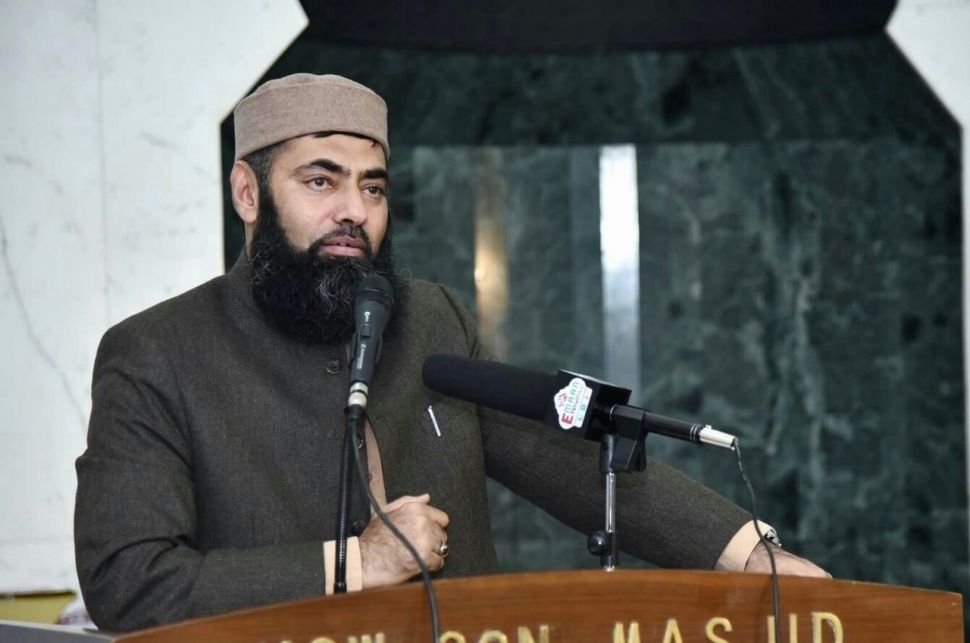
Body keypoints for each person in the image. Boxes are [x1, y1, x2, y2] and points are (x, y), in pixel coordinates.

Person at [74, 73, 827, 633]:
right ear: (246, 191)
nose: (353, 213)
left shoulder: (426, 317)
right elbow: (126, 581)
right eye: (319, 182)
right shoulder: (156, 353)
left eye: (373, 188)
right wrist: (354, 564)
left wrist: (743, 549)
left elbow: (560, 456)